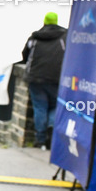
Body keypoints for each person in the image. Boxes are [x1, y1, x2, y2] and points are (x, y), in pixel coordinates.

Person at [21, 11, 67, 149]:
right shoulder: (65, 36)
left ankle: (39, 139)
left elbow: (25, 55)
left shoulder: (35, 37)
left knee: (40, 108)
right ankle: (51, 128)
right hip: (57, 78)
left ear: (45, 22)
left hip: (36, 77)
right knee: (54, 106)